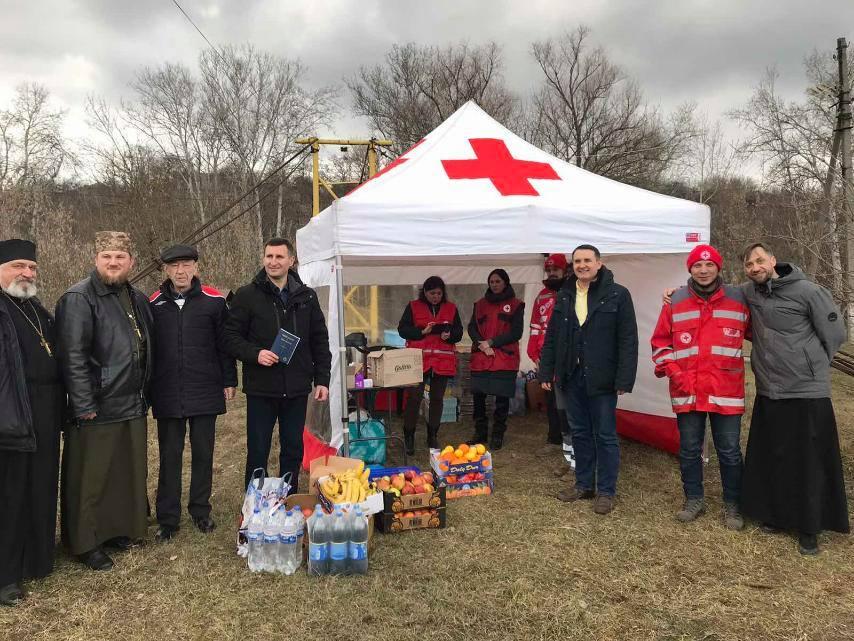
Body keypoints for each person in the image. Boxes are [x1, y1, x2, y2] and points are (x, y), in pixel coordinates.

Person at [738, 242, 849, 554]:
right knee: (777, 454)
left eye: (760, 260)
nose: (755, 267)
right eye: (749, 264)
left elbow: (836, 333)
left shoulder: (808, 291)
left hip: (806, 391)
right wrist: (673, 292)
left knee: (808, 461)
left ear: (773, 260)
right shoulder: (750, 292)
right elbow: (716, 290)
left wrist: (812, 362)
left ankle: (809, 527)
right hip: (770, 388)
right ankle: (777, 515)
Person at [55, 231, 154, 571]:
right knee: (90, 479)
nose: (113, 262)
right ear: (96, 260)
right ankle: (85, 542)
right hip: (97, 404)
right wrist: (83, 404)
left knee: (122, 473)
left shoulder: (135, 296)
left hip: (131, 401)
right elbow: (72, 356)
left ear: (131, 262)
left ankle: (114, 530)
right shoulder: (79, 298)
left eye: (120, 257)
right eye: (107, 257)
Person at [650, 244, 748, 530]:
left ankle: (733, 504)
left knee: (729, 450)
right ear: (689, 269)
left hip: (725, 391)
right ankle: (694, 499)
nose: (703, 270)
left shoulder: (740, 300)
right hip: (687, 389)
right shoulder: (675, 301)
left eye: (709, 265)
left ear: (719, 268)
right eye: (697, 266)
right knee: (689, 449)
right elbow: (660, 343)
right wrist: (675, 373)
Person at [223, 238, 331, 493]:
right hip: (262, 387)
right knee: (258, 448)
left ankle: (289, 497)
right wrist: (256, 353)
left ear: (291, 261)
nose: (273, 262)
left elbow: (319, 339)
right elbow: (229, 337)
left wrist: (322, 379)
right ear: (263, 259)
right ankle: (255, 501)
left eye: (279, 257)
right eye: (269, 256)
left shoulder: (306, 296)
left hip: (296, 386)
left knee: (293, 447)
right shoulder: (247, 295)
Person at [539, 244, 638, 515]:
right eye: (577, 261)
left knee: (605, 435)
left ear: (599, 263)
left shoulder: (618, 295)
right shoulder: (565, 295)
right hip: (572, 376)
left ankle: (606, 491)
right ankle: (584, 484)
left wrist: (624, 378)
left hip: (603, 378)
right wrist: (546, 371)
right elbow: (552, 337)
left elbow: (628, 339)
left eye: (587, 260)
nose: (582, 265)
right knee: (579, 432)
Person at [148, 244, 238, 542]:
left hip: (204, 388)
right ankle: (168, 519)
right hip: (168, 392)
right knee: (170, 455)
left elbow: (225, 344)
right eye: (174, 266)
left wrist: (229, 379)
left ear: (196, 268)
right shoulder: (154, 303)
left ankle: (200, 511)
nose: (181, 271)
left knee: (203, 453)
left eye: (186, 265)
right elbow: (149, 351)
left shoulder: (214, 301)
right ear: (166, 270)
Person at [0, 240, 65, 606]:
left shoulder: (35, 308)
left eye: (32, 267)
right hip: (10, 416)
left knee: (40, 486)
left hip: (44, 414)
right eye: (18, 266)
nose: (27, 273)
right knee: (9, 496)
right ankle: (5, 576)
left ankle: (37, 559)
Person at [397, 276, 464, 454]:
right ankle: (409, 436)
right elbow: (402, 330)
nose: (436, 296)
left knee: (437, 399)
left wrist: (450, 335)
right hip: (419, 361)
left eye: (439, 293)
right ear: (425, 292)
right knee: (414, 399)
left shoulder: (451, 308)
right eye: (432, 293)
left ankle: (432, 435)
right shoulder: (413, 306)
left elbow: (459, 332)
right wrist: (421, 332)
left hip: (442, 362)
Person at [466, 269, 525, 450]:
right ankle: (480, 432)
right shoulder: (480, 304)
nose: (494, 284)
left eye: (498, 281)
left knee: (501, 399)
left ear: (505, 283)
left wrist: (492, 342)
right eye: (491, 281)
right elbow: (471, 327)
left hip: (504, 357)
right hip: (482, 356)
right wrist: (482, 344)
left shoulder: (516, 305)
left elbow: (516, 332)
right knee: (478, 396)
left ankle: (498, 434)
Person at [528, 254, 573, 467]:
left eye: (556, 269)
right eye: (549, 270)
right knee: (551, 402)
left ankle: (571, 443)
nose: (552, 273)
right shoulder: (542, 297)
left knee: (568, 404)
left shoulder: (572, 291)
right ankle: (554, 439)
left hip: (567, 359)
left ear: (565, 270)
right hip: (546, 359)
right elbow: (535, 327)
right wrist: (534, 355)